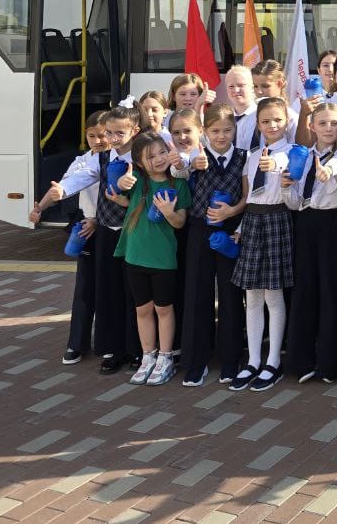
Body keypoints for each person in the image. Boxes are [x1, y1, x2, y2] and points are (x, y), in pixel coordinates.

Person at [39, 104, 143, 374]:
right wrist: (63, 189)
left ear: (134, 131)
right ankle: (112, 349)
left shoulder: (143, 154)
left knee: (134, 291)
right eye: (109, 133)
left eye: (119, 133)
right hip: (107, 231)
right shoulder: (102, 158)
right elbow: (84, 177)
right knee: (108, 290)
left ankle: (137, 349)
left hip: (134, 232)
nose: (113, 138)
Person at [30, 110, 110, 366]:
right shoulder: (82, 162)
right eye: (92, 136)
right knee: (85, 288)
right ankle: (76, 343)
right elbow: (62, 187)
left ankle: (109, 344)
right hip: (87, 228)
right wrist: (40, 208)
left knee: (110, 288)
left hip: (111, 228)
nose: (98, 141)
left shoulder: (121, 159)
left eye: (103, 135)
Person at [176, 103, 246, 387]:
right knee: (197, 293)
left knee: (231, 294)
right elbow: (178, 170)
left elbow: (248, 196)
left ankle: (231, 359)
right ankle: (196, 361)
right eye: (215, 131)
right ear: (205, 131)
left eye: (227, 130)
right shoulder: (196, 156)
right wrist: (190, 165)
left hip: (230, 230)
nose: (221, 136)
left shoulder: (244, 157)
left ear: (235, 130)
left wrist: (232, 213)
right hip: (199, 230)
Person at [229, 97, 295, 392]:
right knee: (252, 295)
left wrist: (277, 165)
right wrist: (240, 227)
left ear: (287, 121)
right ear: (257, 124)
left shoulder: (293, 152)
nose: (272, 125)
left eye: (277, 120)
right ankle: (253, 360)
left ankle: (273, 360)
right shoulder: (252, 156)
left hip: (277, 220)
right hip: (253, 222)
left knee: (273, 294)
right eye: (265, 121)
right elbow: (249, 197)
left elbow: (286, 171)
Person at [283, 102, 337, 385]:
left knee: (331, 291)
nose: (328, 128)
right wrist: (286, 188)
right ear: (311, 127)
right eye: (322, 123)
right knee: (305, 289)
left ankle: (329, 362)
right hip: (306, 223)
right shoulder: (303, 155)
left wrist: (328, 171)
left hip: (334, 224)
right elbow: (296, 202)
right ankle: (302, 360)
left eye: (333, 123)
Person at [114, 132, 189, 387]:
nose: (158, 159)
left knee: (163, 309)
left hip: (163, 258)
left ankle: (166, 357)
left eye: (162, 152)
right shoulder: (137, 181)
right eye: (150, 156)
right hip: (134, 256)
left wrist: (168, 212)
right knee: (142, 310)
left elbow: (180, 222)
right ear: (139, 162)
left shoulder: (178, 184)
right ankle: (148, 356)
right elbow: (121, 185)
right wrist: (121, 183)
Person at [224, 64, 262, 152]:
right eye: (231, 86)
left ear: (252, 87)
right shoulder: (224, 118)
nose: (236, 90)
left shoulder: (262, 116)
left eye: (241, 85)